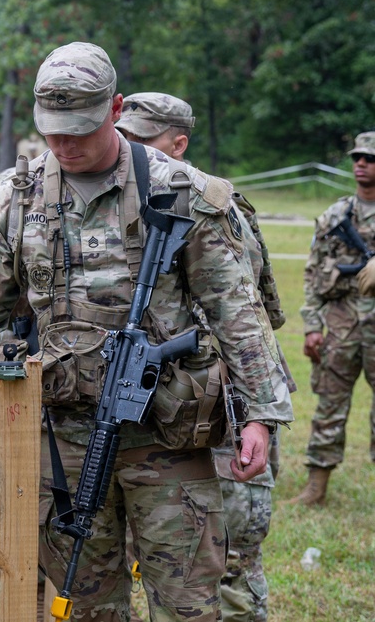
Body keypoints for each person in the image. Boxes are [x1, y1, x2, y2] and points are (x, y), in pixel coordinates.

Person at [0, 42, 293, 621]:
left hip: (170, 433)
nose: (65, 144)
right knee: (85, 604)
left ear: (116, 108)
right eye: (53, 131)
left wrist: (259, 414)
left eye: (80, 128)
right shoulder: (14, 198)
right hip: (65, 437)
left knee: (189, 604)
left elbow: (237, 311)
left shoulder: (182, 192)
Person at [117, 91, 294, 622]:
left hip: (225, 403)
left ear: (179, 144)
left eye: (143, 143)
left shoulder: (215, 209)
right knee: (163, 555)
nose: (131, 153)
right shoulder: (134, 207)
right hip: (169, 406)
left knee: (232, 558)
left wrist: (256, 414)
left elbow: (257, 314)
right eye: (124, 141)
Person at [292, 130, 375, 506]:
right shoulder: (336, 215)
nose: (361, 164)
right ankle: (316, 487)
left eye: (370, 159)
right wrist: (312, 326)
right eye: (358, 157)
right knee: (328, 404)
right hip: (341, 322)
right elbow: (312, 274)